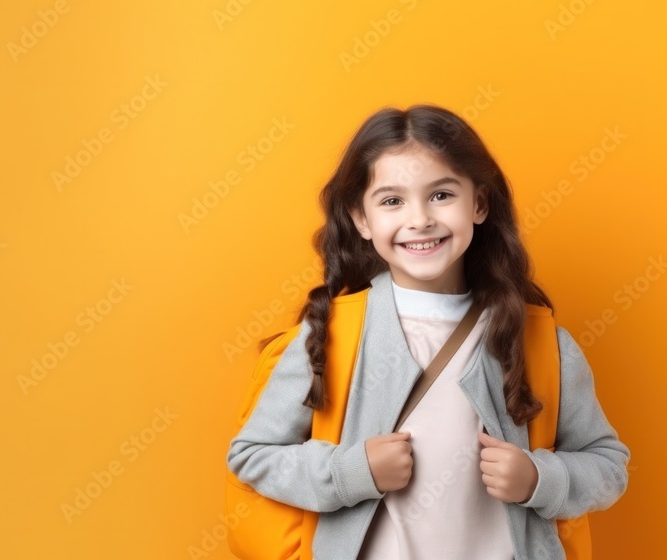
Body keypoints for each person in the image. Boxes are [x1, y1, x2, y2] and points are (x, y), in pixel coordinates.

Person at [225, 104, 630, 559]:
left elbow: (609, 465)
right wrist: (352, 471)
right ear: (362, 219)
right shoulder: (330, 336)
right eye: (392, 200)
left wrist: (539, 479)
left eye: (441, 195)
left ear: (478, 204)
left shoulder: (542, 344)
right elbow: (251, 455)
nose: (419, 219)